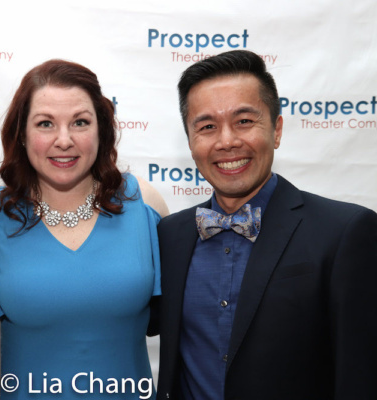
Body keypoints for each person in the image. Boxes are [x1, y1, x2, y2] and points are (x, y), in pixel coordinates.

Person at [153, 49, 377, 399]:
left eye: (244, 121)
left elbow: (360, 377)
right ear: (191, 142)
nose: (227, 141)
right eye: (207, 126)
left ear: (276, 129)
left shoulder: (344, 232)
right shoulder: (169, 236)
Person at [0, 59, 169, 400]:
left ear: (101, 130)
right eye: (45, 123)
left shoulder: (145, 205)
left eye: (80, 122)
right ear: (21, 134)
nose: (64, 140)